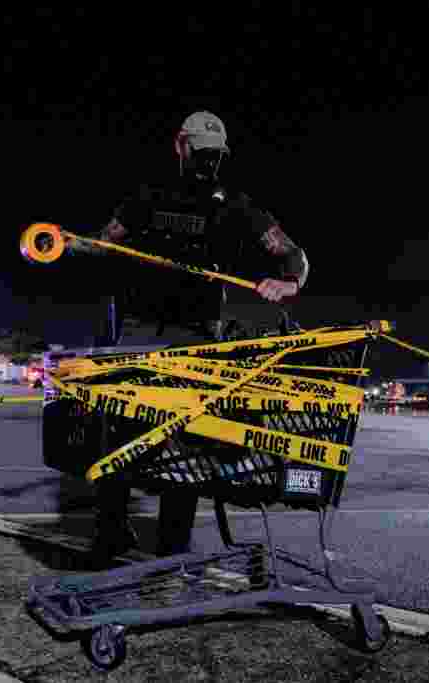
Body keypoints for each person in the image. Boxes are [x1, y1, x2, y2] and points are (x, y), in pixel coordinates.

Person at [88, 111, 310, 564]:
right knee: (120, 430)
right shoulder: (147, 196)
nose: (208, 163)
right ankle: (111, 533)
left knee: (186, 443)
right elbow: (103, 241)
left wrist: (290, 282)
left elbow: (292, 254)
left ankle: (172, 544)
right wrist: (58, 243)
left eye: (216, 156)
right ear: (181, 145)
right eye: (202, 152)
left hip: (197, 337)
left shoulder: (235, 204)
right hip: (139, 330)